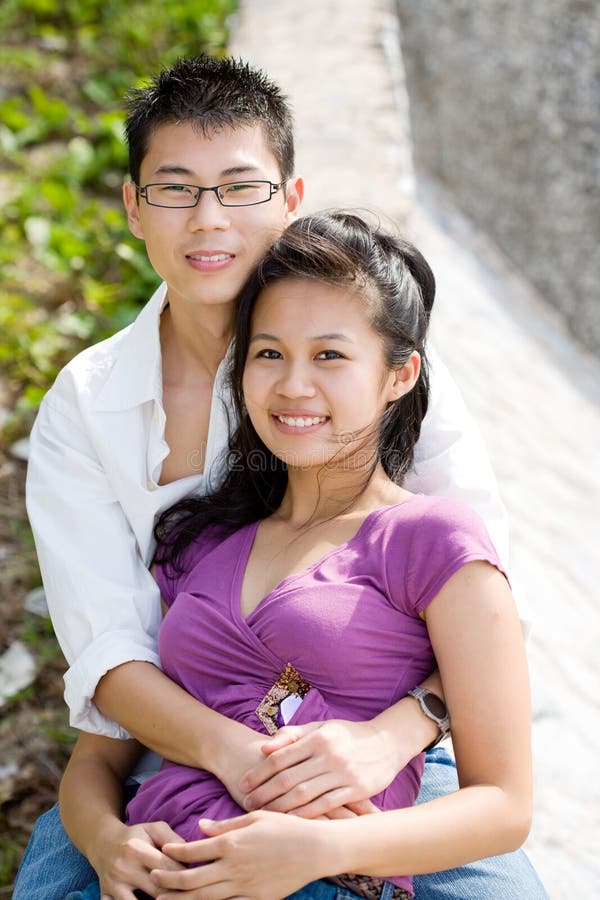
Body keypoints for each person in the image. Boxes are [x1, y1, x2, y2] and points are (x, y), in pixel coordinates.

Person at [14, 55, 546, 899]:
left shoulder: (380, 370)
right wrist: (232, 758)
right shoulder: (87, 404)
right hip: (166, 752)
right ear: (132, 205)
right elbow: (107, 651)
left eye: (241, 187)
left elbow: (482, 598)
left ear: (290, 200)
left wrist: (395, 734)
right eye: (176, 189)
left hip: (382, 741)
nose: (208, 219)